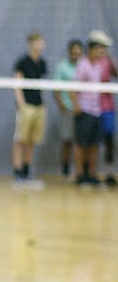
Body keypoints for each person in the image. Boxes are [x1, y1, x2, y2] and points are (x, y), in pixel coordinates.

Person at [73, 30, 114, 188]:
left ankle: (91, 175)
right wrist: (76, 105)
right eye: (100, 48)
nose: (103, 51)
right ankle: (80, 176)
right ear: (91, 48)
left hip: (97, 110)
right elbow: (72, 87)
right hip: (84, 110)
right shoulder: (83, 64)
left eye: (104, 49)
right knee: (81, 144)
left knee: (94, 144)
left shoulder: (99, 65)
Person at [11, 32, 48, 187]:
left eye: (42, 42)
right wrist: (22, 105)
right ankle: (17, 170)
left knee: (32, 139)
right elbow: (17, 84)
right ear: (31, 43)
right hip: (26, 106)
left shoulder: (42, 63)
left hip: (39, 105)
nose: (41, 45)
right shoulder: (22, 62)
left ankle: (27, 170)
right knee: (20, 139)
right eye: (39, 42)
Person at [53, 39, 84, 179]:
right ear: (70, 52)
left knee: (82, 142)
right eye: (74, 52)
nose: (76, 54)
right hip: (68, 109)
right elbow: (56, 89)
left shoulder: (84, 66)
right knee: (67, 141)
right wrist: (62, 106)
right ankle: (65, 171)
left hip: (83, 110)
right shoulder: (62, 67)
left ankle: (82, 172)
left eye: (79, 52)